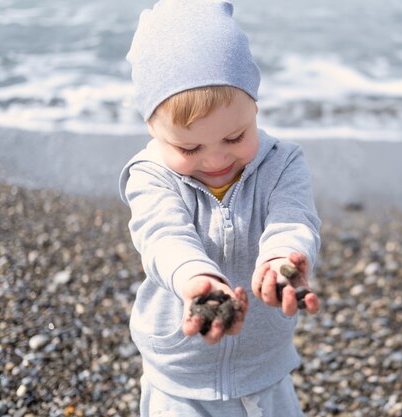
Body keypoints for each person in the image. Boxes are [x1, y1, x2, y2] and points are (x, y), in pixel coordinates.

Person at [118, 0, 322, 415]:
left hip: (264, 367)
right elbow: (162, 235)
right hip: (181, 375)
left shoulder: (282, 162)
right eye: (189, 146)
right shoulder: (151, 175)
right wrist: (197, 279)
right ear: (152, 129)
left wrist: (282, 259)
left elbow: (293, 219)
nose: (215, 160)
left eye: (234, 137)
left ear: (255, 107)